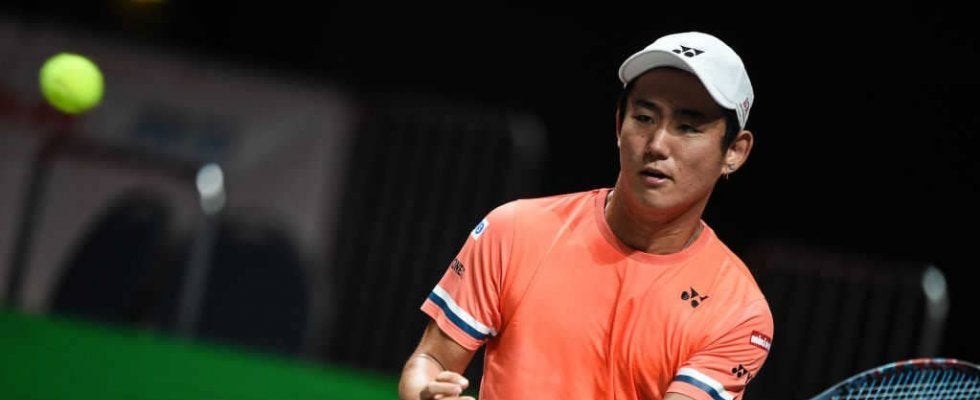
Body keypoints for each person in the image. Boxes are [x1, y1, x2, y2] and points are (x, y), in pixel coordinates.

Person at [398, 31, 773, 400]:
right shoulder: (514, 231)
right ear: (619, 124)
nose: (657, 144)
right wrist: (426, 394)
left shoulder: (738, 312)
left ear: (735, 151)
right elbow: (431, 361)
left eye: (688, 128)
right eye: (644, 117)